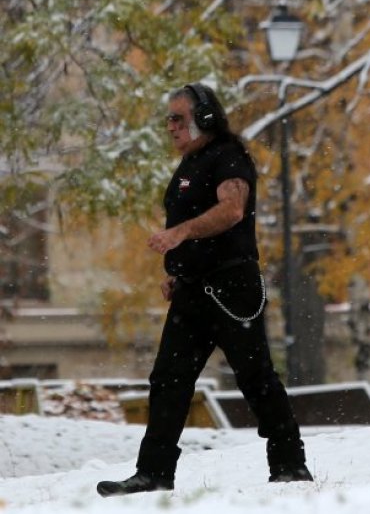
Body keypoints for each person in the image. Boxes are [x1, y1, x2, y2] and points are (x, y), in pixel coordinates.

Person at [97, 81, 313, 497]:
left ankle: (290, 464)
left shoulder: (229, 156)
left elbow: (231, 210)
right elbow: (195, 229)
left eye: (178, 118)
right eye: (168, 119)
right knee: (168, 379)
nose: (171, 127)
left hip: (232, 289)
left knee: (255, 377)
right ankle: (153, 472)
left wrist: (179, 234)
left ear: (205, 118)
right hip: (192, 291)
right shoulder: (187, 165)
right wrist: (178, 270)